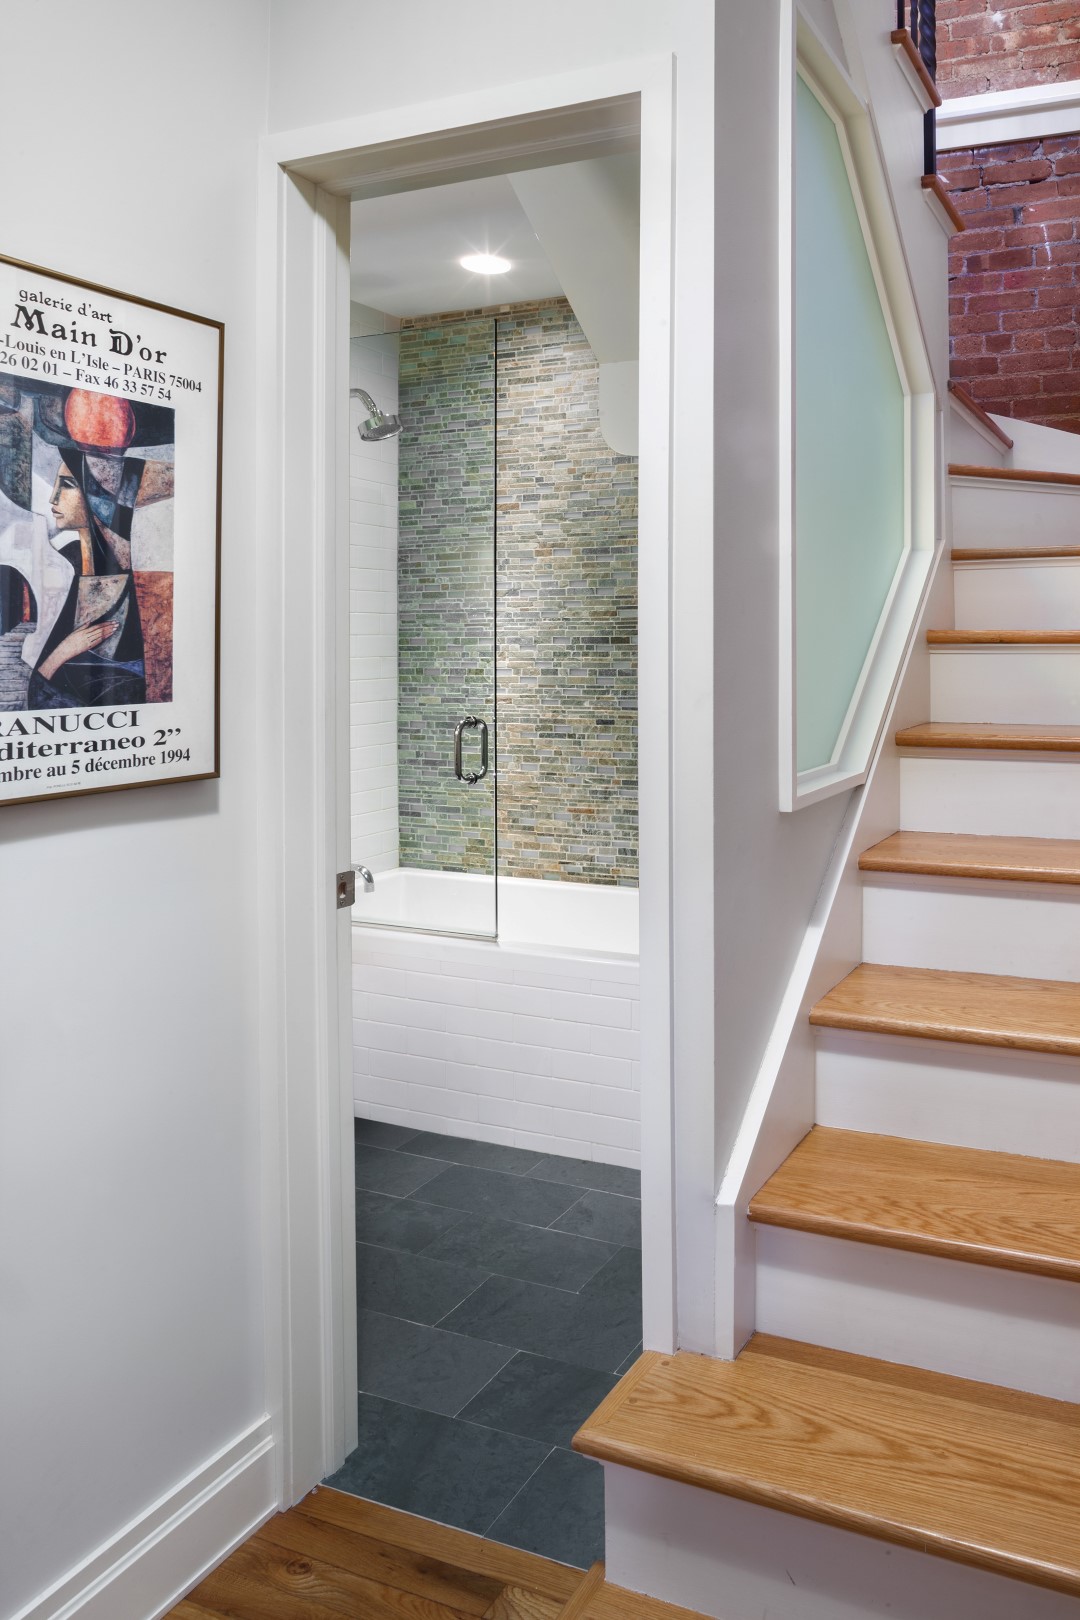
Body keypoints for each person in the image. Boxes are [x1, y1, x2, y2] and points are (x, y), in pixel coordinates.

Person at [28, 450, 147, 709]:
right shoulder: (69, 564)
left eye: (68, 484)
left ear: (100, 497)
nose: (53, 497)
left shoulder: (138, 581)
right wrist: (66, 649)